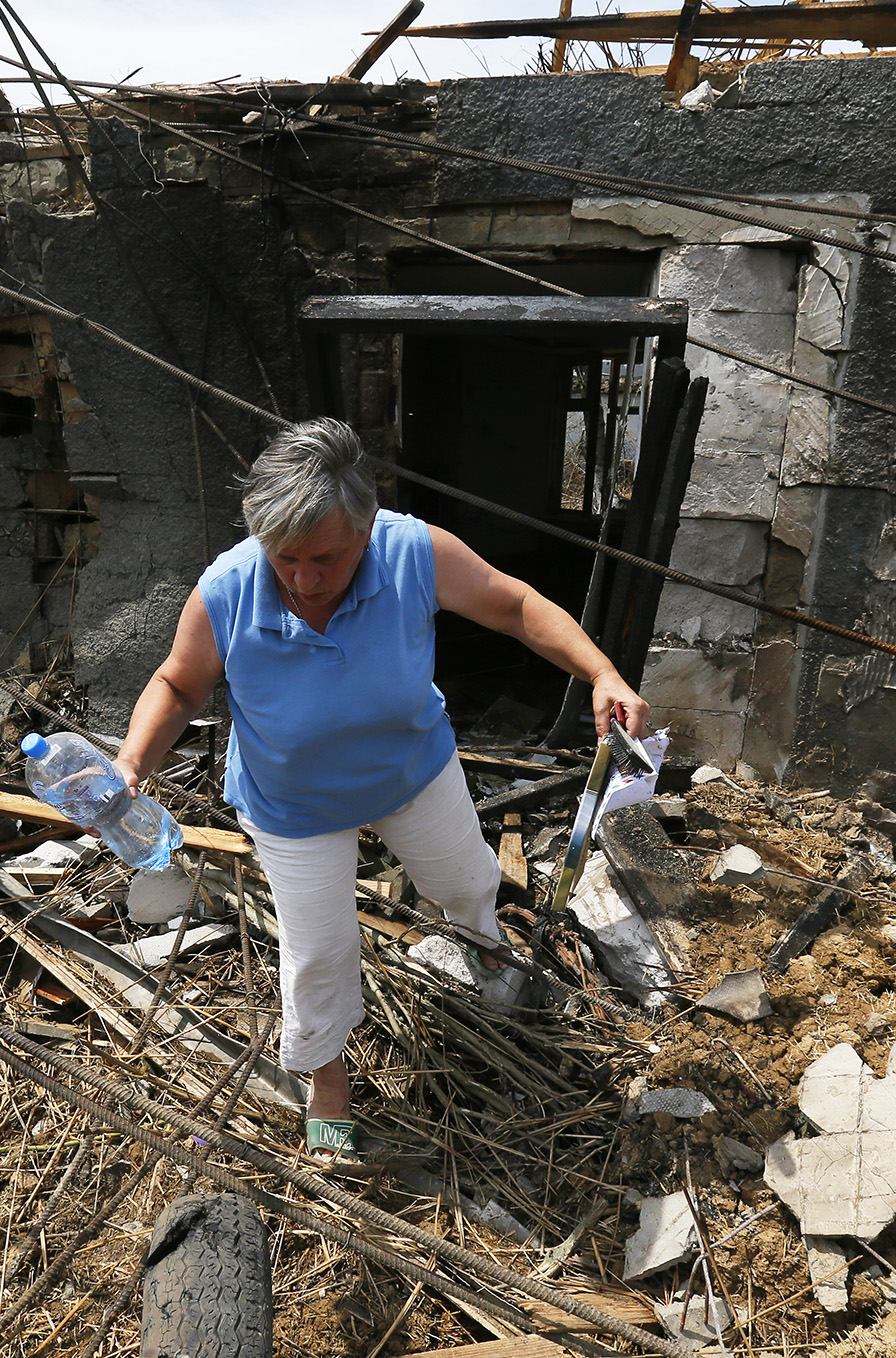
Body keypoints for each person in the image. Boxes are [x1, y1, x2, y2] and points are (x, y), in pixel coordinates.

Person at [113, 418, 650, 1162]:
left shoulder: (413, 552)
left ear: (366, 527)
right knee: (319, 954)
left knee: (466, 880)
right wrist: (131, 763)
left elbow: (516, 606)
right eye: (286, 558)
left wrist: (602, 673)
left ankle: (483, 943)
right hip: (292, 805)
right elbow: (177, 682)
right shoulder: (228, 590)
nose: (303, 578)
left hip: (411, 773)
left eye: (325, 557)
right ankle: (327, 1082)